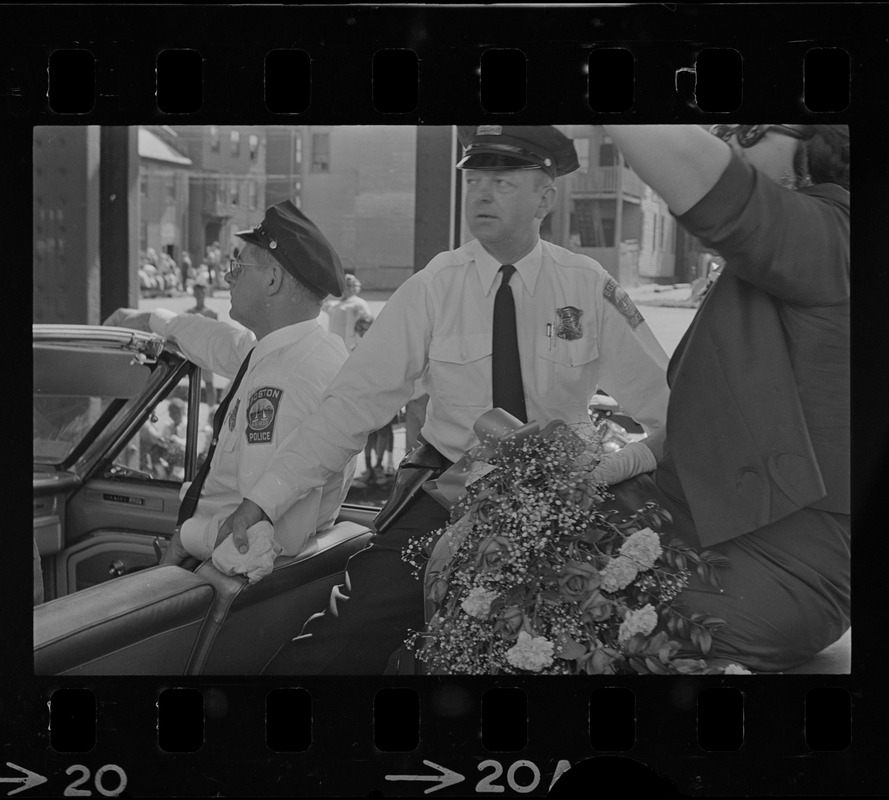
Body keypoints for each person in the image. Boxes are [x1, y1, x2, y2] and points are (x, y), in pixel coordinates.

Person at [218, 125, 670, 675]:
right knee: (346, 632)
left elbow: (672, 414)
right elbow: (350, 405)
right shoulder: (435, 287)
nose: (481, 193)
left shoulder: (587, 288)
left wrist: (609, 469)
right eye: (475, 179)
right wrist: (266, 497)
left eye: (503, 183)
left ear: (545, 198)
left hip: (560, 503)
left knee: (589, 644)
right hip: (448, 490)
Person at [600, 124, 850, 671]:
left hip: (765, 562)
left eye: (748, 130)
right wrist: (630, 458)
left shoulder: (838, 232)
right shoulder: (795, 251)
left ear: (818, 137)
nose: (731, 145)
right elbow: (735, 409)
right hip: (700, 519)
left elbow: (717, 191)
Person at [104, 200, 356, 575]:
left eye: (238, 266)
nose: (228, 277)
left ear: (272, 280)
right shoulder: (303, 350)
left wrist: (185, 539)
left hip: (215, 571)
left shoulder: (282, 383)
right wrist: (152, 320)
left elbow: (258, 536)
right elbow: (221, 343)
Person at [186, 277, 220, 405]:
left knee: (209, 383)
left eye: (201, 292)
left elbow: (215, 335)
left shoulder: (212, 313)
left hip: (206, 353)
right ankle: (192, 411)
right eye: (197, 292)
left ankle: (211, 410)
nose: (199, 295)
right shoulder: (189, 313)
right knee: (192, 383)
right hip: (193, 352)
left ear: (204, 293)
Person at [323, 273, 374, 353]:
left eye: (348, 287)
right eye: (343, 287)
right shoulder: (337, 306)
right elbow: (326, 306)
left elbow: (367, 327)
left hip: (351, 346)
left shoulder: (359, 304)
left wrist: (361, 344)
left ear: (353, 288)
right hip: (336, 346)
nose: (345, 290)